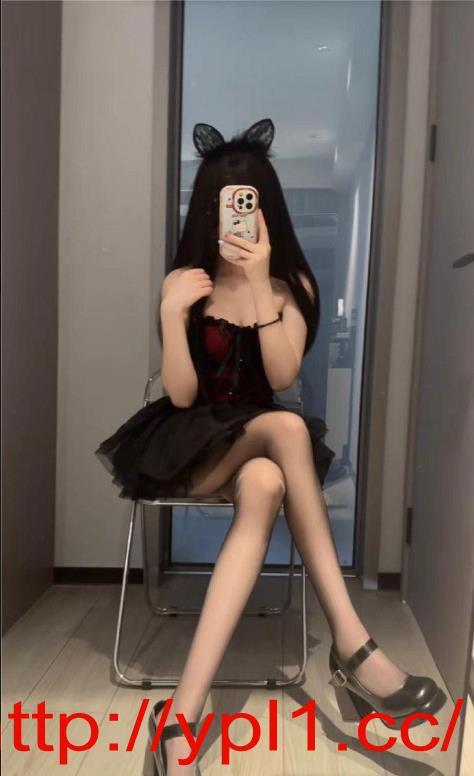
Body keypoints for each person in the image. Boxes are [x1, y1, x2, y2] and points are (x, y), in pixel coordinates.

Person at [95, 119, 446, 776]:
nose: (233, 217)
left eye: (246, 202)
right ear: (206, 212)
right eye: (221, 205)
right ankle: (353, 647)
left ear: (267, 209)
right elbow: (181, 394)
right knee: (286, 431)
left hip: (259, 444)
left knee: (265, 482)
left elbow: (282, 379)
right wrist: (172, 312)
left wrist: (260, 286)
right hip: (191, 445)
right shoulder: (188, 283)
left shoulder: (292, 288)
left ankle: (179, 720)